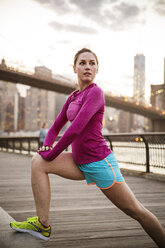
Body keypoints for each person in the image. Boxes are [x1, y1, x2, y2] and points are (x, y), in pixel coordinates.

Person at [10, 48, 165, 247]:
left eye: (92, 63)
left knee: (137, 212)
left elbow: (74, 130)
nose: (87, 67)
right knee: (38, 162)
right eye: (82, 63)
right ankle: (43, 224)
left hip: (100, 164)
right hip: (79, 161)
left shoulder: (96, 93)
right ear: (74, 68)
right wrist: (46, 148)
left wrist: (52, 152)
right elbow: (56, 126)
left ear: (97, 69)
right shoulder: (73, 97)